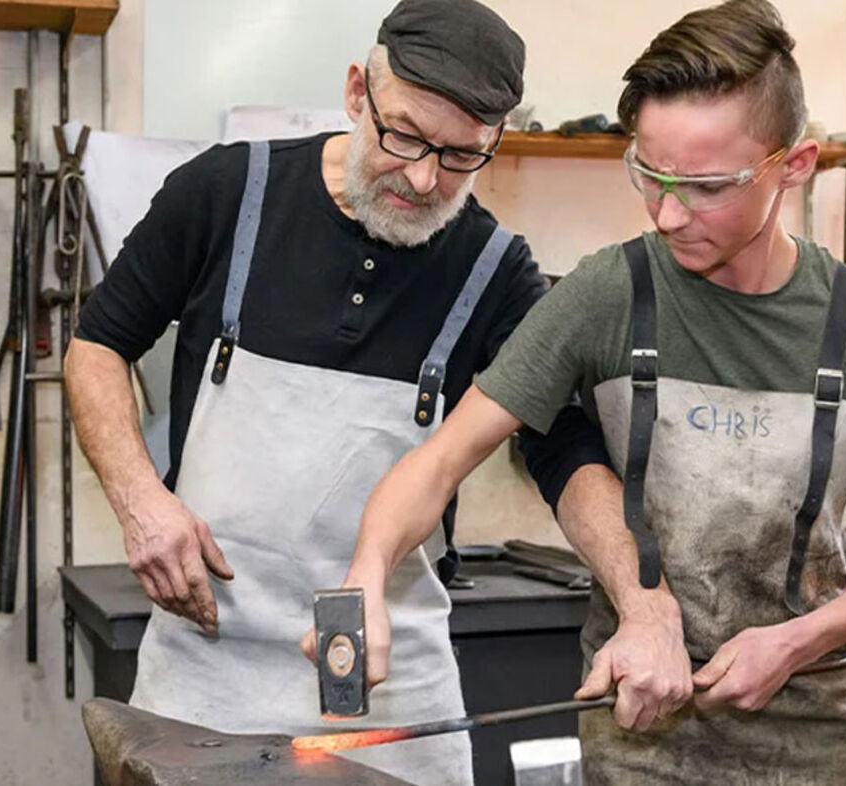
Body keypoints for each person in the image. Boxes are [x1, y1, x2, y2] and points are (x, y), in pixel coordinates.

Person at [304, 1, 846, 782]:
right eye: (649, 176)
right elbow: (444, 458)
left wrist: (802, 638)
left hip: (811, 739)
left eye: (704, 185)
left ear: (794, 166)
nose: (666, 212)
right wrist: (367, 572)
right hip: (636, 734)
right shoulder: (609, 295)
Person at [65, 2, 617, 783]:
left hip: (395, 695)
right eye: (405, 137)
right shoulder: (224, 194)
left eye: (462, 156)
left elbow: (564, 449)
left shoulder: (496, 272)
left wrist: (641, 600)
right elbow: (97, 345)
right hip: (206, 676)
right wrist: (139, 500)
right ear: (358, 91)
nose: (426, 179)